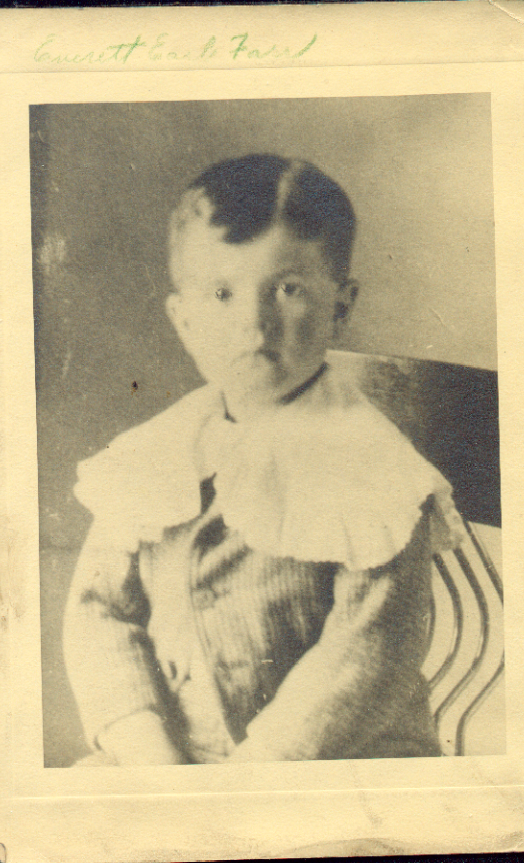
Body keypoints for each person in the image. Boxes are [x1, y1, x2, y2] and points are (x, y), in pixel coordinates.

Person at [64, 154, 464, 766]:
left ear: (340, 306)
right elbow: (99, 615)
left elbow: (367, 657)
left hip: (332, 761)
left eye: (288, 289)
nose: (254, 323)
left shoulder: (376, 470)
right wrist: (151, 755)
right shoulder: (153, 454)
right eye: (221, 293)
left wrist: (246, 783)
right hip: (178, 758)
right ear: (183, 319)